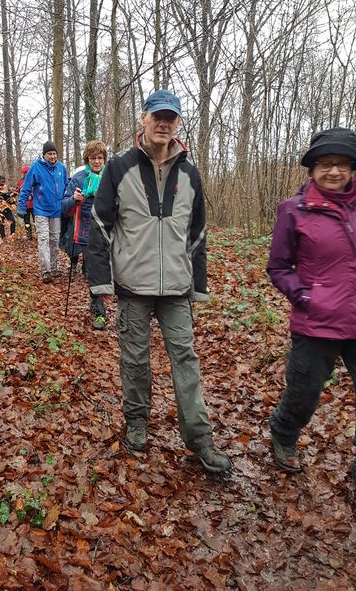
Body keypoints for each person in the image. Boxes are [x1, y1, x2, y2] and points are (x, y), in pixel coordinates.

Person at [86, 90, 232, 473]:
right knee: (134, 360)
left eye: (171, 118)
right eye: (157, 116)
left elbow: (197, 234)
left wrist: (198, 287)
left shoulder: (190, 174)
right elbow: (99, 226)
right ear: (144, 119)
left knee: (185, 359)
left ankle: (199, 439)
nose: (163, 123)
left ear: (177, 123)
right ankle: (137, 422)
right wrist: (101, 284)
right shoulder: (119, 168)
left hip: (177, 289)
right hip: (133, 286)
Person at [267, 127, 356, 478]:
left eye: (341, 164)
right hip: (316, 321)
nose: (333, 171)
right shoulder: (294, 210)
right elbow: (277, 267)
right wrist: (305, 295)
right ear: (312, 169)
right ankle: (284, 433)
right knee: (304, 393)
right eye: (324, 163)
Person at [61, 140, 108, 330]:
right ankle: (99, 312)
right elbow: (63, 206)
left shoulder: (111, 177)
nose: (97, 161)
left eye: (100, 158)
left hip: (112, 232)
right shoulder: (79, 179)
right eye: (93, 158)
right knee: (94, 273)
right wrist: (74, 199)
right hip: (88, 232)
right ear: (87, 159)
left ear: (104, 159)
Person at [17, 141, 68, 282]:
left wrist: (68, 204)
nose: (52, 156)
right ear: (44, 154)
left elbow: (66, 188)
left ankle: (53, 267)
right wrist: (21, 206)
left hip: (56, 211)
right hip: (40, 210)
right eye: (49, 154)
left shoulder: (61, 168)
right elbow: (26, 187)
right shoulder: (36, 167)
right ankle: (46, 271)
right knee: (44, 240)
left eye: (54, 153)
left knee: (54, 241)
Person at [0, 175, 17, 240]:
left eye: (4, 181)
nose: (3, 182)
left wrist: (12, 195)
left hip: (7, 207)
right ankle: (3, 238)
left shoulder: (6, 187)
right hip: (0, 208)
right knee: (2, 223)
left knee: (13, 221)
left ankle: (12, 235)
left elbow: (8, 197)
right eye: (1, 181)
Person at [17, 165, 34, 239]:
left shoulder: (33, 180)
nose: (25, 174)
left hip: (33, 204)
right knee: (26, 221)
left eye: (26, 172)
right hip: (25, 205)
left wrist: (31, 195)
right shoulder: (20, 181)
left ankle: (38, 235)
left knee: (36, 220)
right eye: (24, 173)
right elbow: (19, 191)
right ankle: (29, 235)